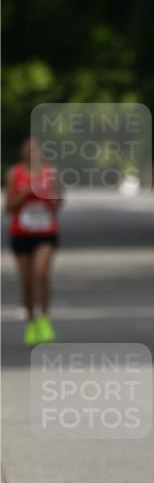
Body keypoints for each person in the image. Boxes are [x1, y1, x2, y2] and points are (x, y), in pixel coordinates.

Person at [4, 137, 62, 346]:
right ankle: (31, 322)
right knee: (27, 282)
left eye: (35, 150)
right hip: (21, 233)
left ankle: (45, 319)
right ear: (23, 153)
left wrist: (51, 197)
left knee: (41, 273)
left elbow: (58, 203)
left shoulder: (50, 174)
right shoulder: (14, 174)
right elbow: (9, 207)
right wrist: (26, 193)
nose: (32, 154)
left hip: (45, 231)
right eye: (28, 150)